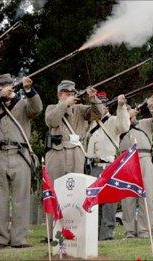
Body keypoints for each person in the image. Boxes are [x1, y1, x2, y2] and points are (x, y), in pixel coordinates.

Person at [44, 80, 105, 240]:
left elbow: (99, 114)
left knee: (75, 193)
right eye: (66, 93)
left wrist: (93, 98)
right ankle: (52, 234)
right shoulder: (52, 108)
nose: (69, 96)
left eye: (72, 93)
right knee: (54, 193)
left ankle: (74, 230)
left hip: (77, 153)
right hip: (56, 153)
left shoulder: (81, 109)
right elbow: (52, 121)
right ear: (59, 94)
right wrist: (64, 104)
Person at [0, 74, 43, 248]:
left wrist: (28, 89)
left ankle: (19, 238)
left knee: (21, 198)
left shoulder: (23, 104)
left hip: (20, 153)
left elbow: (37, 107)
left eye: (6, 86)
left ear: (12, 86)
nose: (3, 88)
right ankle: (0, 238)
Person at [86, 91, 130, 240]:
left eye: (102, 103)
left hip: (108, 165)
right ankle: (93, 233)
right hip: (93, 166)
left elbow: (124, 126)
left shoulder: (112, 121)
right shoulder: (91, 123)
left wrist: (121, 106)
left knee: (109, 203)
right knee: (94, 201)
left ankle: (106, 234)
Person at [119, 98, 153, 238]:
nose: (127, 112)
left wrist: (152, 107)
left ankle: (145, 230)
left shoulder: (145, 123)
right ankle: (130, 231)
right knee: (127, 197)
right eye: (125, 111)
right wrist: (126, 117)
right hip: (126, 160)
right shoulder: (120, 126)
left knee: (146, 194)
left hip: (144, 158)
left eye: (128, 110)